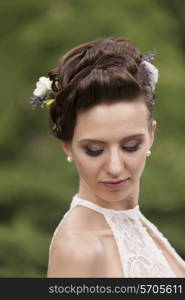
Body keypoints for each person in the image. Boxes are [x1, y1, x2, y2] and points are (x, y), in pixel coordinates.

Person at [30, 37, 185, 278]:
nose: (114, 167)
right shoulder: (79, 251)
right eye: (94, 150)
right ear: (68, 146)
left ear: (151, 136)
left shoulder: (137, 225)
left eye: (131, 146)